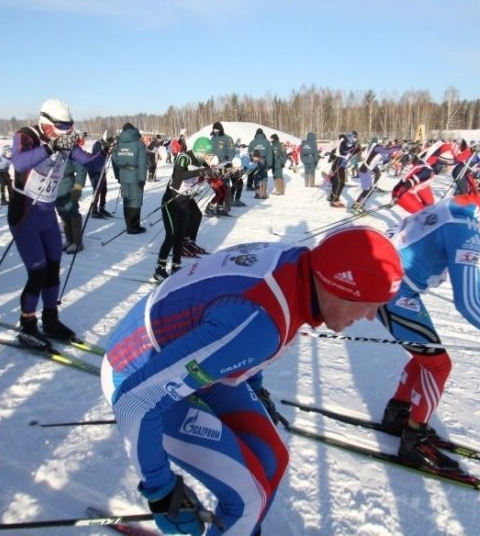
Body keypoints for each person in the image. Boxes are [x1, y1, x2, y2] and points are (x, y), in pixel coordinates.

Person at [101, 226, 403, 536]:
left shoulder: (299, 266)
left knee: (272, 460)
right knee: (247, 498)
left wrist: (255, 386)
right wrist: (162, 493)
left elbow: (234, 331)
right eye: (370, 302)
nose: (370, 317)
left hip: (189, 355)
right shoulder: (259, 322)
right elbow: (134, 403)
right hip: (136, 373)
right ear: (340, 286)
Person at [376, 156, 480, 472]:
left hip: (391, 282)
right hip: (390, 289)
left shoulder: (463, 208)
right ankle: (414, 440)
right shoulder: (467, 227)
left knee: (425, 355)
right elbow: (466, 301)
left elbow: (473, 283)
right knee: (439, 365)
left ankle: (397, 412)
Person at [8, 99, 107, 350]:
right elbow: (19, 163)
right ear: (46, 124)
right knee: (37, 271)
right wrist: (51, 146)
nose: (65, 132)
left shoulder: (65, 141)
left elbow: (92, 162)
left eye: (69, 126)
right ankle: (27, 326)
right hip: (25, 215)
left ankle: (50, 320)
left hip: (47, 215)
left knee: (53, 268)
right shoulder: (27, 135)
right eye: (61, 127)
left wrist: (105, 151)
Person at [154, 137, 212, 282]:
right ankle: (160, 268)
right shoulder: (185, 157)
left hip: (185, 200)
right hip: (171, 201)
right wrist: (201, 172)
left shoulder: (201, 161)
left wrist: (220, 171)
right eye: (206, 153)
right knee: (172, 235)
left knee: (180, 235)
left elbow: (208, 171)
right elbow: (179, 174)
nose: (208, 156)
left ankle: (176, 265)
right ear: (200, 150)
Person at [112, 123, 148, 235]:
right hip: (135, 175)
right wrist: (142, 178)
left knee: (127, 200)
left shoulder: (118, 143)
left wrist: (118, 175)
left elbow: (115, 160)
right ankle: (134, 226)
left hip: (123, 175)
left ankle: (129, 225)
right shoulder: (138, 144)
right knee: (136, 200)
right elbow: (142, 162)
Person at [56, 153, 88, 254]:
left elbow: (82, 168)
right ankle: (69, 240)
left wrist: (78, 187)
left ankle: (77, 243)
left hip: (67, 183)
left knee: (72, 211)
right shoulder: (51, 150)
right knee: (62, 212)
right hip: (55, 185)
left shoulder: (71, 151)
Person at [89, 134, 114, 219]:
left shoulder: (106, 144)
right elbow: (97, 157)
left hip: (101, 169)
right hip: (94, 169)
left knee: (104, 189)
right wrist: (106, 151)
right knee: (97, 189)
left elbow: (106, 156)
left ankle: (102, 208)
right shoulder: (98, 144)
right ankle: (94, 210)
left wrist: (109, 152)